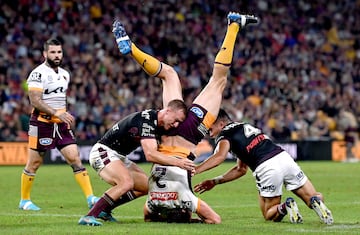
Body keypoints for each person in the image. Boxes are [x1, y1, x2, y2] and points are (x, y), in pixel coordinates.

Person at [108, 12, 258, 223]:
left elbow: (211, 218)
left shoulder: (184, 200)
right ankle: (132, 48)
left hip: (188, 135)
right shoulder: (152, 203)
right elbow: (148, 217)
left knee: (217, 81)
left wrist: (192, 215)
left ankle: (234, 26)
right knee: (169, 74)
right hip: (169, 129)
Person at [77, 50, 194, 225]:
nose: (175, 125)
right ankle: (90, 216)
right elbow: (151, 155)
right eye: (176, 120)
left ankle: (105, 210)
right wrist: (178, 162)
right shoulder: (147, 122)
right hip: (103, 151)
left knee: (147, 186)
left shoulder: (158, 123)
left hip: (118, 155)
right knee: (125, 182)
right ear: (168, 110)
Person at [194, 108, 334, 225]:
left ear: (221, 123)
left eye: (209, 125)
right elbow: (240, 170)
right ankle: (316, 201)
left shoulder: (224, 135)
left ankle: (286, 206)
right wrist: (214, 181)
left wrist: (195, 169)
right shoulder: (245, 126)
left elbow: (219, 156)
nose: (206, 129)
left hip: (266, 167)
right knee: (313, 196)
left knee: (269, 213)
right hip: (284, 158)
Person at [19, 38, 99, 211]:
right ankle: (24, 201)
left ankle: (91, 198)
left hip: (61, 124)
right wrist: (57, 113)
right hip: (41, 124)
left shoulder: (65, 74)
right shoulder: (37, 74)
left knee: (75, 158)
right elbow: (35, 100)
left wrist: (63, 114)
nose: (56, 55)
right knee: (34, 163)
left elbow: (58, 99)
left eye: (59, 52)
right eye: (53, 52)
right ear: (45, 54)